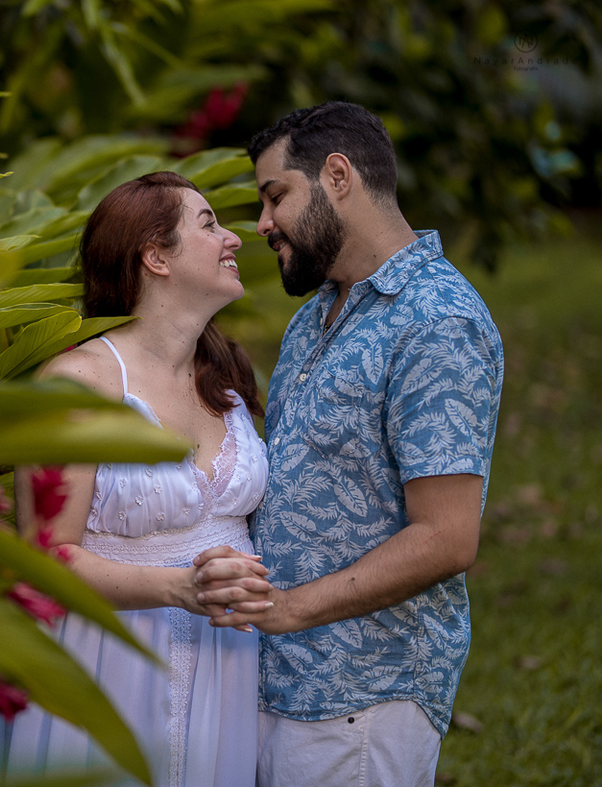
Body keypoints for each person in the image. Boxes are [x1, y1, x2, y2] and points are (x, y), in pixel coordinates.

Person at [195, 102, 504, 786]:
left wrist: (288, 609)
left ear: (337, 176)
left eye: (275, 195)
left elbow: (447, 537)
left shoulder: (436, 318)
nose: (262, 223)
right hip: (278, 680)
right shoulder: (317, 315)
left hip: (364, 694)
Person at [0, 171, 272, 787]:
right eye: (209, 224)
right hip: (109, 655)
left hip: (225, 659)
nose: (234, 238)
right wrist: (177, 587)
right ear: (155, 257)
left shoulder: (224, 378)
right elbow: (44, 558)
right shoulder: (77, 384)